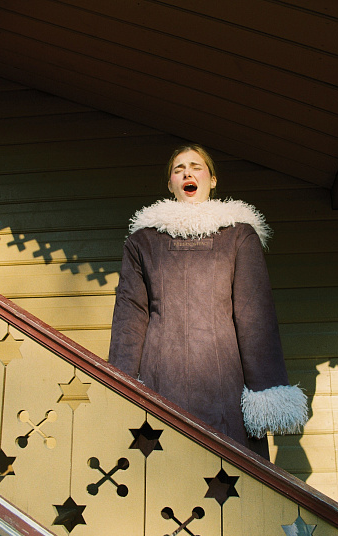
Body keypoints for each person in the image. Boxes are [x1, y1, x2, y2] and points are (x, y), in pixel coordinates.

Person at [109, 144, 307, 459]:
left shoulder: (239, 235)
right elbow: (129, 316)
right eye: (178, 169)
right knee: (164, 470)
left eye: (196, 167)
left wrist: (265, 391)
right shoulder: (142, 241)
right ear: (170, 184)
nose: (187, 173)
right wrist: (120, 385)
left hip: (226, 382)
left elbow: (255, 316)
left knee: (229, 471)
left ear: (212, 180)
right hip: (160, 378)